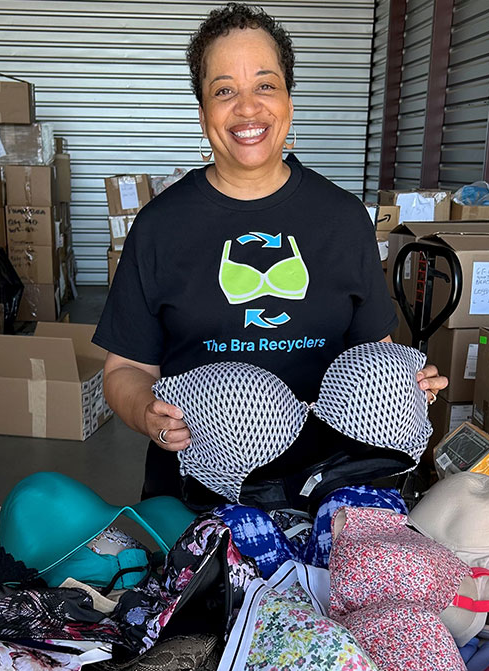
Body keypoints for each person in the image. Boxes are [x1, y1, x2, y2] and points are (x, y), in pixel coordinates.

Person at [93, 2, 448, 501]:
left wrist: (406, 384)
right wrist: (149, 415)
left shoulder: (342, 218)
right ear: (202, 114)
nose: (247, 107)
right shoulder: (160, 227)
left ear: (289, 103)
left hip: (329, 483)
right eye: (224, 91)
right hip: (200, 486)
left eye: (265, 85)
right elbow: (124, 371)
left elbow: (376, 350)